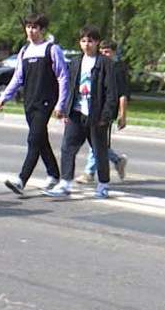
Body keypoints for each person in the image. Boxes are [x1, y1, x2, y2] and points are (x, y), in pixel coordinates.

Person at [0, 13, 69, 195]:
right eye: (28, 27)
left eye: (35, 27)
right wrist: (5, 95)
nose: (31, 31)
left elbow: (63, 77)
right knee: (41, 139)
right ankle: (53, 174)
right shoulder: (24, 51)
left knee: (33, 139)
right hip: (29, 101)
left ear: (42, 30)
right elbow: (18, 76)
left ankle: (21, 180)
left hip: (46, 101)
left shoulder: (52, 49)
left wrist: (61, 104)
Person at [44, 25, 121, 199]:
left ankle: (103, 185)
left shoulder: (105, 64)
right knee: (67, 148)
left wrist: (106, 116)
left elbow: (111, 92)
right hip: (76, 113)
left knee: (99, 150)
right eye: (83, 41)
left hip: (96, 115)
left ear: (97, 42)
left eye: (91, 41)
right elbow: (70, 87)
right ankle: (64, 183)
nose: (87, 44)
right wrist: (65, 109)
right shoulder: (76, 63)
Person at [76, 39, 129, 183]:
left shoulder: (115, 70)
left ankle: (89, 172)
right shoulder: (98, 66)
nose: (104, 54)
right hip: (93, 109)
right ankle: (117, 161)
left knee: (97, 142)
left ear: (113, 53)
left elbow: (122, 95)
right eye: (102, 51)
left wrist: (122, 115)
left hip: (107, 112)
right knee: (98, 143)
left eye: (107, 52)